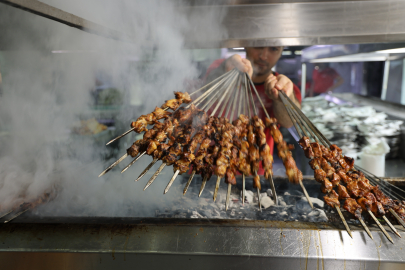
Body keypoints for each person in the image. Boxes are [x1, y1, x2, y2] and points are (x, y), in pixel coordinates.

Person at [205, 47, 302, 173]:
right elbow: (205, 90)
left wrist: (280, 98)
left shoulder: (286, 87)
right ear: (247, 45)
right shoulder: (222, 67)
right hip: (207, 169)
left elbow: (289, 122)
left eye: (273, 49)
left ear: (281, 51)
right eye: (258, 47)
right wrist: (223, 71)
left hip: (254, 174)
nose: (263, 55)